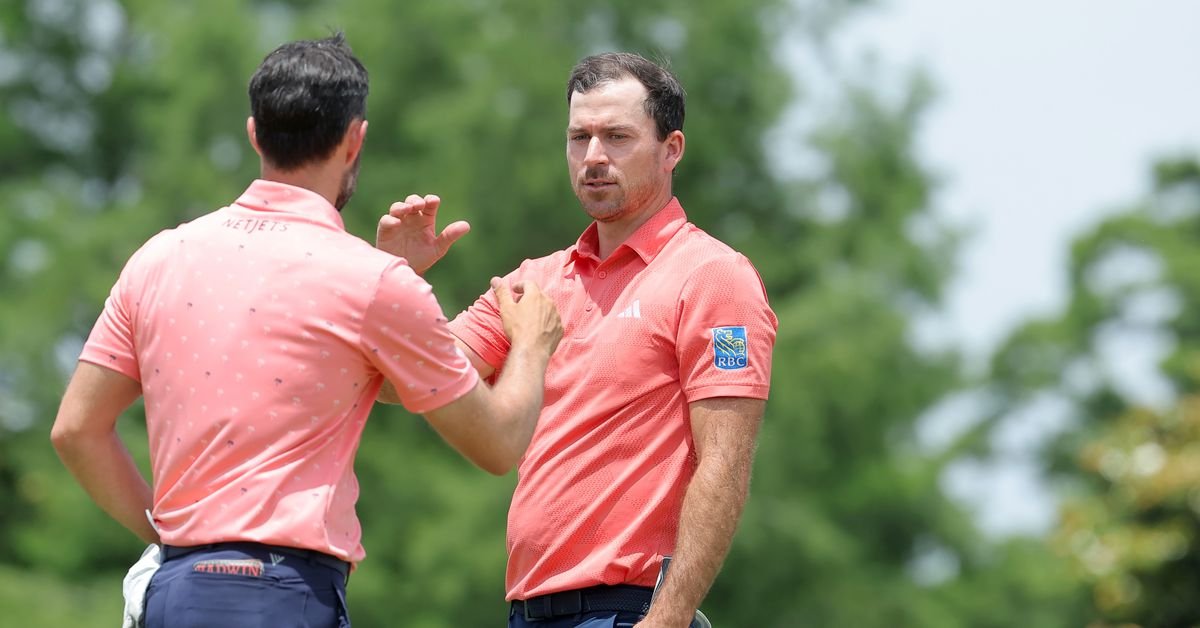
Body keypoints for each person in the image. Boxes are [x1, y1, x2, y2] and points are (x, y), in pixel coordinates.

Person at [50, 33, 562, 628]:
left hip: (176, 592)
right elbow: (498, 444)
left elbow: (76, 430)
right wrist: (530, 343)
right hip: (284, 595)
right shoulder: (371, 282)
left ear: (253, 133)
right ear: (355, 139)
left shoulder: (158, 258)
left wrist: (176, 541)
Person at [379, 52, 777, 628]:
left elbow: (725, 465)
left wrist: (667, 619)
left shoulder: (713, 276)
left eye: (616, 136)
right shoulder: (533, 281)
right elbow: (404, 385)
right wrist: (396, 284)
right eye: (579, 137)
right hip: (527, 610)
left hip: (628, 609)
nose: (593, 157)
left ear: (672, 149)